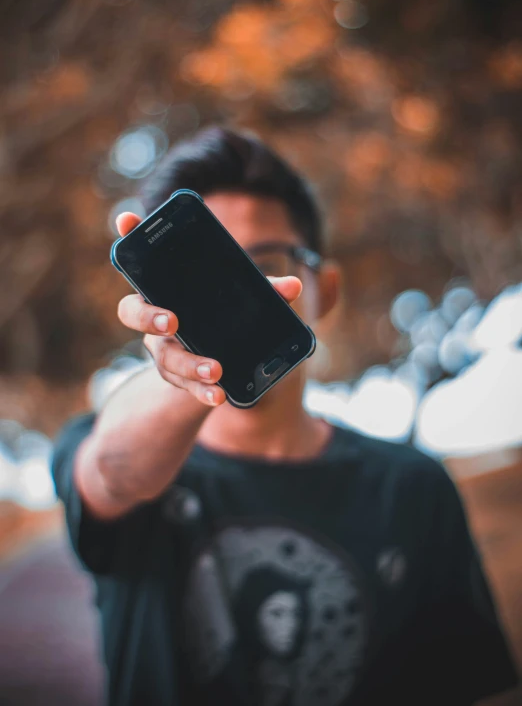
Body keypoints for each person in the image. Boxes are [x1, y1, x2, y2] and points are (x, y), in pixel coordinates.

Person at [52, 127, 518, 706]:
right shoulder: (109, 450)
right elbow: (115, 471)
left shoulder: (414, 487)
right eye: (211, 270)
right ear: (154, 303)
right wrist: (189, 369)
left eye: (267, 264)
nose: (243, 290)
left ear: (327, 288)